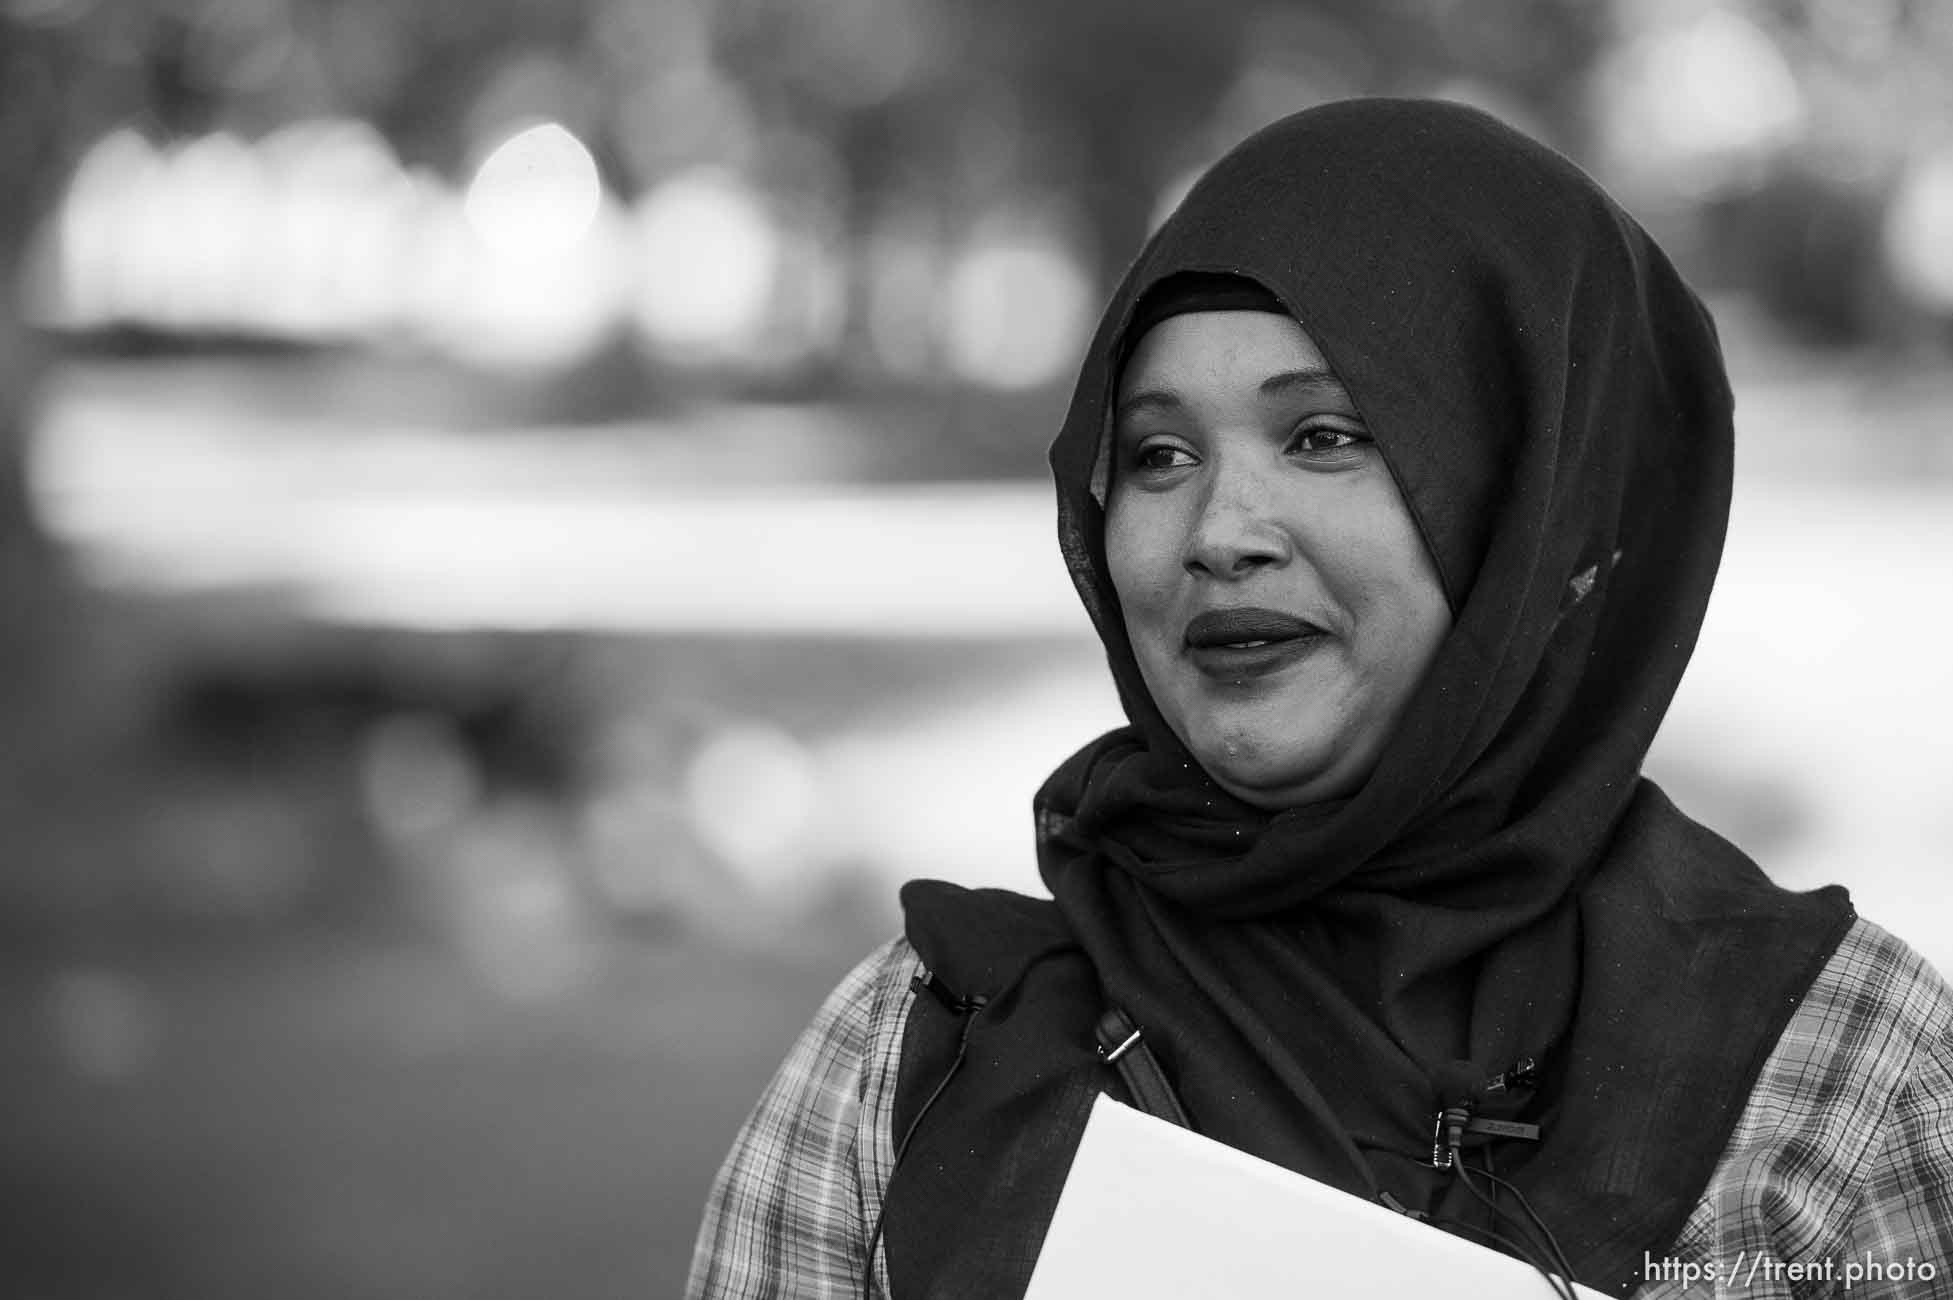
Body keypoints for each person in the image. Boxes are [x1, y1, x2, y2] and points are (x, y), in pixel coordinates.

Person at [685, 99, 1953, 1299]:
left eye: (1326, 437)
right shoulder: (922, 1051)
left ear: (1538, 513)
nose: (1221, 531)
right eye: (1158, 454)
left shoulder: (1838, 1085)